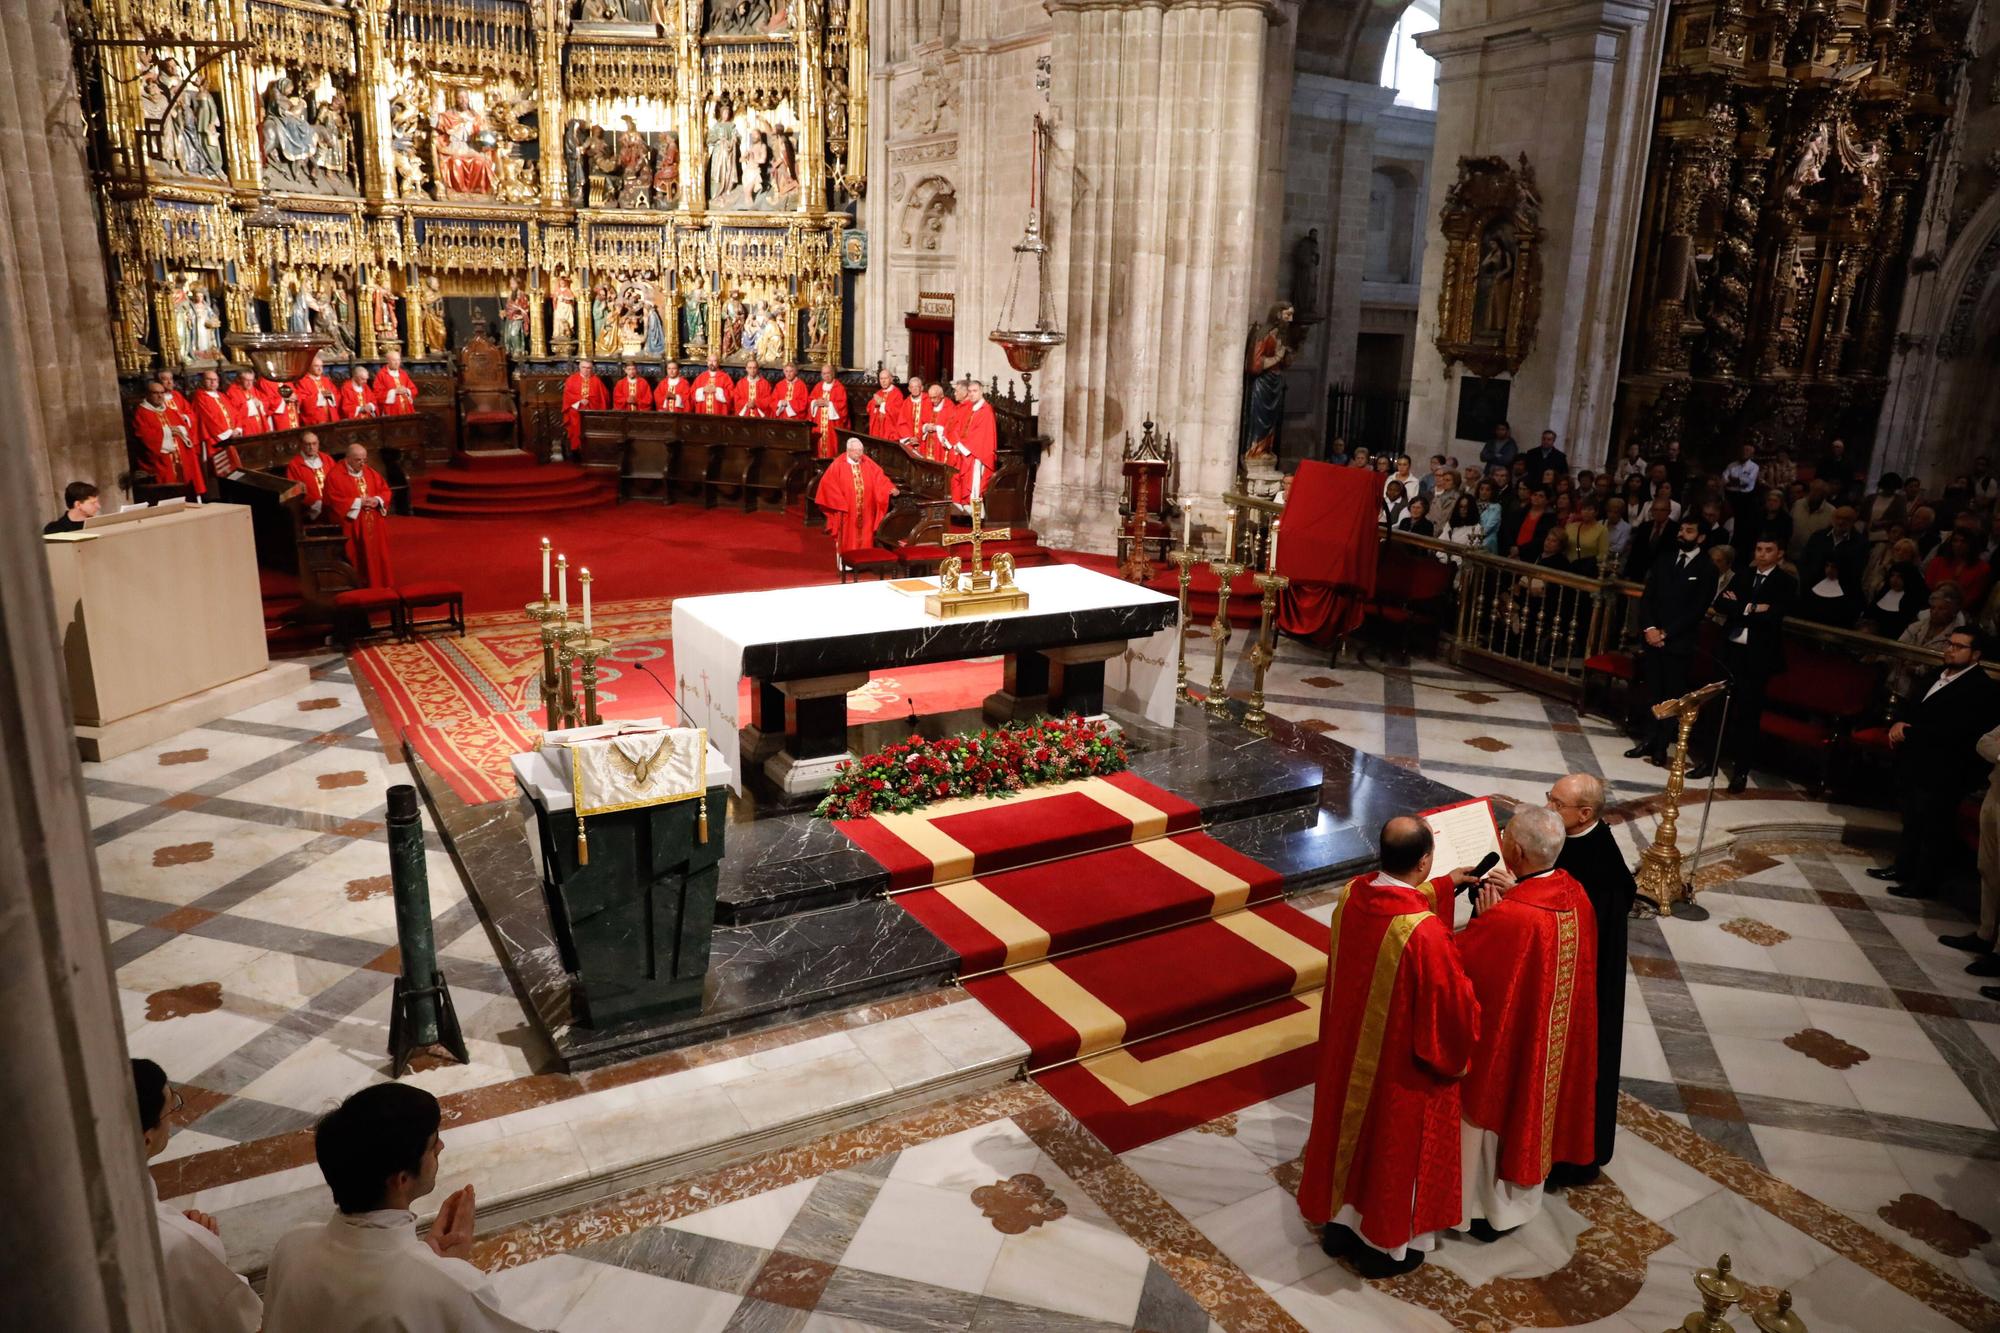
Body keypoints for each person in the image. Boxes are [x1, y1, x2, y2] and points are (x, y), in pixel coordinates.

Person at [1296, 817, 1482, 1279]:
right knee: (1386, 1155)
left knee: (1347, 1144)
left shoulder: (1352, 895)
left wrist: (1441, 886)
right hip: (1399, 1073)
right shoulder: (1423, 934)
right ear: (1424, 860)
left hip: (1348, 1054)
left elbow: (1392, 905)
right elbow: (1450, 1012)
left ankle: (1338, 1229)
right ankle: (1382, 1247)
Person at [263, 1084, 539, 1333]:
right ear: (402, 1179)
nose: (441, 1146)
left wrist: (427, 1261)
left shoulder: (292, 1246)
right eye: (432, 1146)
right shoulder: (450, 1289)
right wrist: (449, 1270)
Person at [1452, 805, 1597, 1241]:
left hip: (1511, 1046)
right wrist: (1514, 895)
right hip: (1548, 1040)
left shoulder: (1515, 918)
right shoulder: (1574, 894)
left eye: (1504, 835)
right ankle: (1518, 1206)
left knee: (1497, 1113)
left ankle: (1485, 1211)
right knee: (1532, 1112)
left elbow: (1462, 968)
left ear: (1513, 849)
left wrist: (1488, 916)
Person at [1545, 776, 1636, 1185]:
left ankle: (1571, 1157)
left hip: (1586, 988)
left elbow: (1576, 923)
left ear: (1584, 814)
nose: (1549, 807)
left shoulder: (1603, 868)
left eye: (1557, 803)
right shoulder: (1568, 838)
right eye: (1549, 797)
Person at [131, 1060, 262, 1332]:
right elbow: (242, 1322)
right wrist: (198, 1241)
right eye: (171, 1111)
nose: (173, 1121)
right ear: (146, 1139)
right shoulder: (180, 1242)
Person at [1870, 627, 2000, 901]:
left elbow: (1957, 730)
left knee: (1934, 828)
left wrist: (1909, 732)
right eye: (1949, 644)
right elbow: (1913, 708)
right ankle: (1903, 869)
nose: (1950, 650)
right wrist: (1899, 722)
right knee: (1912, 820)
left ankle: (1924, 883)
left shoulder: (1981, 688)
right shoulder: (1934, 675)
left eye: (1959, 646)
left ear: (1976, 654)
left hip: (1945, 769)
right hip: (1916, 761)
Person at [1704, 537, 1794, 791]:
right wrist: (1753, 608)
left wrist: (1740, 606)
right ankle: (1708, 762)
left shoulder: (1785, 582)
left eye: (1769, 550)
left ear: (1779, 553)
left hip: (1757, 657)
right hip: (1730, 650)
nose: (1762, 554)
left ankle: (1740, 771)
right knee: (1717, 709)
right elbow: (1721, 603)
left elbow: (1774, 616)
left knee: (1747, 715)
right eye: (1759, 549)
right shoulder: (1743, 575)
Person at [1626, 516, 1718, 762]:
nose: (1682, 533)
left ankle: (1661, 747)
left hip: (1678, 643)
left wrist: (1666, 633)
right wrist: (1650, 628)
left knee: (1671, 696)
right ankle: (1648, 739)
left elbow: (1696, 610)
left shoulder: (1707, 568)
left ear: (1701, 538)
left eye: (1689, 530)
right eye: (1681, 529)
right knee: (1653, 691)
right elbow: (1648, 598)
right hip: (1653, 638)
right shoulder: (1664, 559)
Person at [814, 436, 899, 563]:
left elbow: (879, 477)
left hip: (866, 509)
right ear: (848, 450)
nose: (859, 454)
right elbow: (827, 486)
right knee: (847, 536)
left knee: (866, 534)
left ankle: (864, 560)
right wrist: (840, 504)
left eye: (861, 451)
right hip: (847, 511)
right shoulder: (837, 465)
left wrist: (890, 488)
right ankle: (845, 562)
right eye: (856, 451)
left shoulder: (867, 462)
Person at [324, 443, 394, 588]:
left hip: (375, 524)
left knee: (377, 555)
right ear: (348, 459)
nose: (363, 464)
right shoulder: (335, 476)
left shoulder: (369, 472)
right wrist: (358, 502)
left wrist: (377, 500)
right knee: (357, 556)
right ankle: (360, 587)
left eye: (365, 460)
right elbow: (333, 500)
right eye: (358, 460)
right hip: (353, 525)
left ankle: (380, 586)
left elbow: (385, 490)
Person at [133, 379, 206, 498]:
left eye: (162, 393)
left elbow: (185, 428)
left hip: (181, 459)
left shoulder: (171, 411)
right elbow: (144, 436)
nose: (160, 396)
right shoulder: (142, 413)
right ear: (147, 395)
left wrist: (180, 430)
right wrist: (167, 432)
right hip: (162, 461)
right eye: (155, 393)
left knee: (188, 487)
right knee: (169, 494)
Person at [950, 377, 997, 508]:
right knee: (965, 482)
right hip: (967, 452)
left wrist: (962, 447)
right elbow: (963, 429)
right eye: (969, 391)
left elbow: (980, 436)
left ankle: (976, 518)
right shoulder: (971, 409)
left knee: (975, 486)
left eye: (975, 391)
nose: (971, 394)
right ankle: (967, 512)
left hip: (978, 454)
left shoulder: (986, 410)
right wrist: (958, 444)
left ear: (981, 392)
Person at [190, 368, 241, 464]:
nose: (213, 382)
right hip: (214, 438)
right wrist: (229, 433)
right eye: (209, 379)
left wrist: (238, 429)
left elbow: (235, 413)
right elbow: (209, 419)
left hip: (232, 437)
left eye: (215, 380)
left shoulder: (222, 395)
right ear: (202, 381)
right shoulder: (200, 396)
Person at [560, 358, 608, 458]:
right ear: (579, 367)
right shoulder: (571, 379)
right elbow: (568, 396)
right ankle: (576, 454)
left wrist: (591, 400)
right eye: (584, 367)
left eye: (589, 368)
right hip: (576, 413)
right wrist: (579, 399)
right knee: (576, 433)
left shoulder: (596, 380)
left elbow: (604, 397)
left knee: (592, 434)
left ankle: (592, 454)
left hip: (592, 413)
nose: (586, 370)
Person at [286, 431, 332, 520]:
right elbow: (295, 492)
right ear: (301, 445)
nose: (311, 447)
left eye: (314, 444)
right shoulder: (294, 465)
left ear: (318, 443)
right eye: (308, 444)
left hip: (331, 505)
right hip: (311, 510)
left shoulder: (327, 459)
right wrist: (313, 502)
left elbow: (337, 481)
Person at [810, 363, 849, 459]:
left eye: (828, 373)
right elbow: (810, 400)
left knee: (832, 445)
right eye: (824, 374)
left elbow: (842, 406)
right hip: (819, 424)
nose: (826, 376)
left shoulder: (839, 388)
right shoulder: (818, 386)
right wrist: (815, 402)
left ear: (833, 374)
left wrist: (829, 404)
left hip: (832, 424)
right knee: (817, 445)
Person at [295, 352, 341, 426]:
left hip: (330, 418)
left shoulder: (326, 380)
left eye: (321, 366)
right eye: (316, 366)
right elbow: (303, 401)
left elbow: (337, 395)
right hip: (314, 419)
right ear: (309, 367)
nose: (320, 369)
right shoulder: (303, 381)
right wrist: (320, 396)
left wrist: (331, 395)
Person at [867, 367, 911, 442]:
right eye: (881, 379)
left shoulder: (897, 393)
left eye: (885, 378)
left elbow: (898, 412)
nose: (883, 381)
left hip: (890, 431)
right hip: (878, 430)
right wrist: (874, 404)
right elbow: (869, 409)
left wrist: (883, 404)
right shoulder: (879, 393)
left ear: (891, 379)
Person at [227, 368, 271, 436]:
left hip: (259, 424)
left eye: (251, 380)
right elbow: (234, 411)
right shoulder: (232, 391)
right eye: (247, 380)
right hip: (246, 426)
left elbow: (266, 400)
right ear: (239, 380)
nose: (250, 383)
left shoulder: (252, 388)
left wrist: (260, 403)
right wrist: (251, 403)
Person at [376, 348, 419, 417]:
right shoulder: (381, 375)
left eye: (398, 360)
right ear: (388, 361)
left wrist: (406, 390)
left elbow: (414, 390)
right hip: (391, 411)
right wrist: (394, 391)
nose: (397, 363)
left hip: (407, 410)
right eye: (394, 360)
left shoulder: (403, 373)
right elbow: (377, 394)